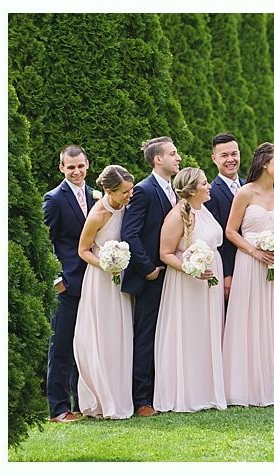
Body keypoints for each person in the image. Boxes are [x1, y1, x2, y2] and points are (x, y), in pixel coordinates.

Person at [222, 142, 274, 407]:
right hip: (251, 265)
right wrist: (255, 252)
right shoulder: (245, 193)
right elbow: (231, 231)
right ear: (265, 163)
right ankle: (248, 384)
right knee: (251, 319)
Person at [154, 167, 227, 413]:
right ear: (192, 190)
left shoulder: (203, 209)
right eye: (204, 183)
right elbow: (165, 253)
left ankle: (208, 389)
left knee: (208, 330)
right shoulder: (177, 216)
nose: (209, 187)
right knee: (191, 332)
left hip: (209, 279)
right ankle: (187, 392)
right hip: (187, 283)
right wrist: (190, 269)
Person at [120, 136, 182, 417]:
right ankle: (141, 399)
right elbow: (130, 233)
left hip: (173, 274)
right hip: (152, 276)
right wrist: (148, 269)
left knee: (165, 334)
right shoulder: (144, 191)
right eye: (173, 153)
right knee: (145, 336)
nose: (178, 158)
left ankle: (163, 392)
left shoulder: (174, 190)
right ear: (158, 159)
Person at [73, 165, 136, 419]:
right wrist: (105, 264)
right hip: (101, 281)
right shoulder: (98, 214)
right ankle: (102, 398)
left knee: (121, 335)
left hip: (121, 280)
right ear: (109, 191)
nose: (129, 195)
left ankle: (121, 395)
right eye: (124, 192)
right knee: (102, 336)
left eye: (130, 190)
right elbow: (83, 250)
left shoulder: (128, 208)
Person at [43, 145, 96, 423]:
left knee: (84, 345)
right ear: (62, 168)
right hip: (68, 284)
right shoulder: (54, 199)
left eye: (81, 166)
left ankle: (81, 403)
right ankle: (59, 408)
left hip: (92, 283)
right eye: (70, 167)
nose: (77, 171)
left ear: (87, 165)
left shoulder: (94, 195)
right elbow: (44, 242)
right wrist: (57, 280)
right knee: (61, 346)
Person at [204, 133, 245, 300]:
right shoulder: (211, 193)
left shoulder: (249, 186)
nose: (231, 159)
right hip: (230, 265)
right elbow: (216, 238)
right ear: (214, 159)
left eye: (234, 154)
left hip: (255, 262)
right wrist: (226, 273)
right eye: (224, 155)